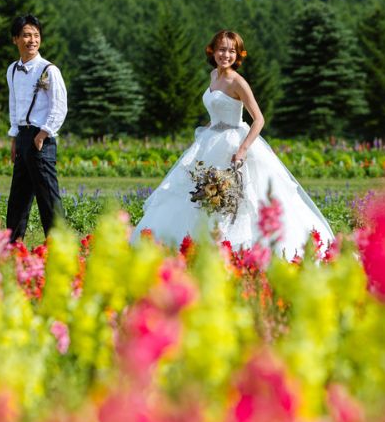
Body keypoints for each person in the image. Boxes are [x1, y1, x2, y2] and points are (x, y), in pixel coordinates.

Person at [131, 30, 334, 259]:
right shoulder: (213, 76)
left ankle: (240, 250)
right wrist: (207, 130)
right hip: (211, 140)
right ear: (212, 50)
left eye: (231, 50)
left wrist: (243, 150)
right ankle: (193, 246)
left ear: (237, 54)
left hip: (234, 143)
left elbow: (259, 119)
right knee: (199, 194)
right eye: (221, 49)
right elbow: (217, 111)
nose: (225, 54)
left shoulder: (237, 82)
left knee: (239, 197)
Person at [5, 14, 68, 243]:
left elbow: (60, 106)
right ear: (15, 39)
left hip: (41, 137)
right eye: (26, 35)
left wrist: (43, 133)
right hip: (23, 136)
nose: (32, 40)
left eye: (36, 35)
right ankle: (14, 247)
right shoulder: (12, 70)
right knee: (18, 197)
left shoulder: (49, 70)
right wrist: (14, 137)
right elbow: (14, 105)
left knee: (48, 197)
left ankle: (59, 246)